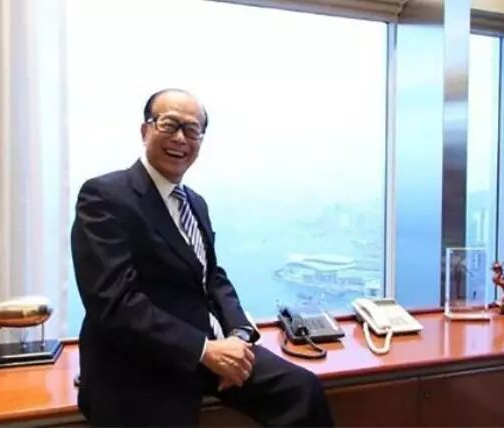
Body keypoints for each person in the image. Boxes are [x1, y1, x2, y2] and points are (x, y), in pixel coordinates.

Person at [71, 88, 334, 427]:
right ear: (145, 130)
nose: (180, 138)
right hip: (139, 359)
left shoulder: (195, 203)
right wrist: (204, 351)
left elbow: (212, 277)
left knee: (301, 389)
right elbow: (115, 302)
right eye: (169, 125)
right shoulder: (105, 195)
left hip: (209, 347)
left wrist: (238, 336)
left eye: (192, 130)